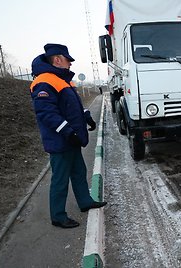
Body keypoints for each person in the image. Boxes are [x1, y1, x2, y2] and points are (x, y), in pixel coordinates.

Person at [30, 43, 107, 228]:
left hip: (71, 140)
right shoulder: (44, 81)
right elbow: (47, 113)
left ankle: (85, 201)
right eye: (68, 60)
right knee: (60, 179)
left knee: (79, 172)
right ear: (57, 59)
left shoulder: (62, 80)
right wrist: (68, 131)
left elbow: (74, 106)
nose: (70, 63)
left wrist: (87, 116)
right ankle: (58, 216)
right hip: (60, 141)